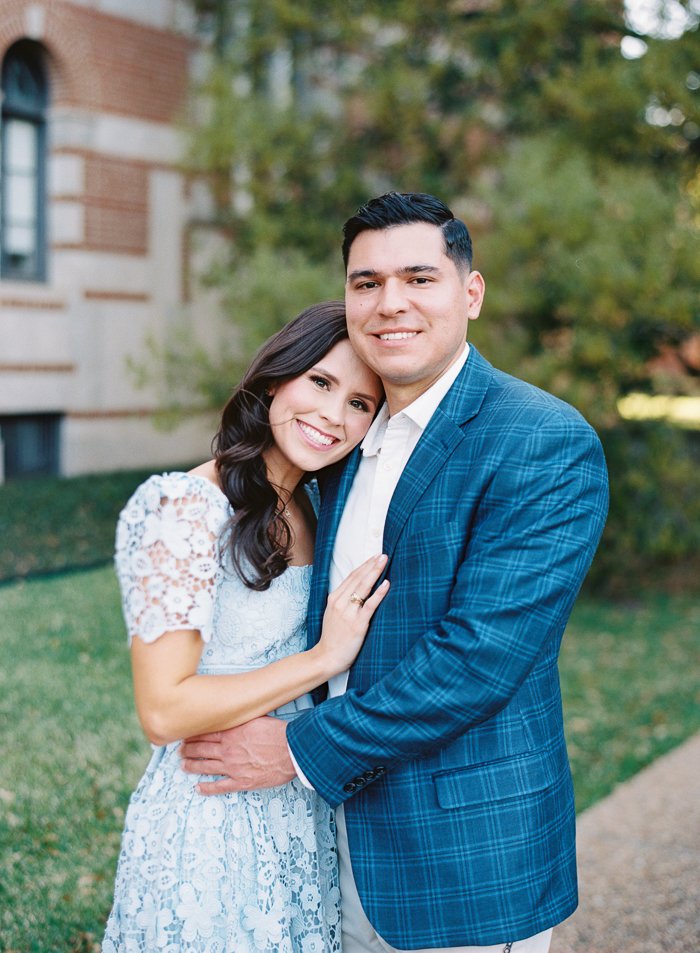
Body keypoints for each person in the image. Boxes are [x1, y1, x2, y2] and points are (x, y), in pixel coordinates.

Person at [180, 193, 610, 953]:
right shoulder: (342, 438)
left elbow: (477, 659)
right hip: (321, 840)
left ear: (470, 293)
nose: (390, 304)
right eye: (366, 283)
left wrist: (297, 748)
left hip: (461, 854)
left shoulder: (542, 440)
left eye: (419, 278)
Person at [102, 300, 389, 952]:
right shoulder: (184, 507)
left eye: (359, 403)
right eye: (319, 382)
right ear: (272, 379)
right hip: (210, 814)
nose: (332, 415)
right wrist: (322, 658)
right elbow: (164, 707)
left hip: (294, 804)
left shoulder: (315, 505)